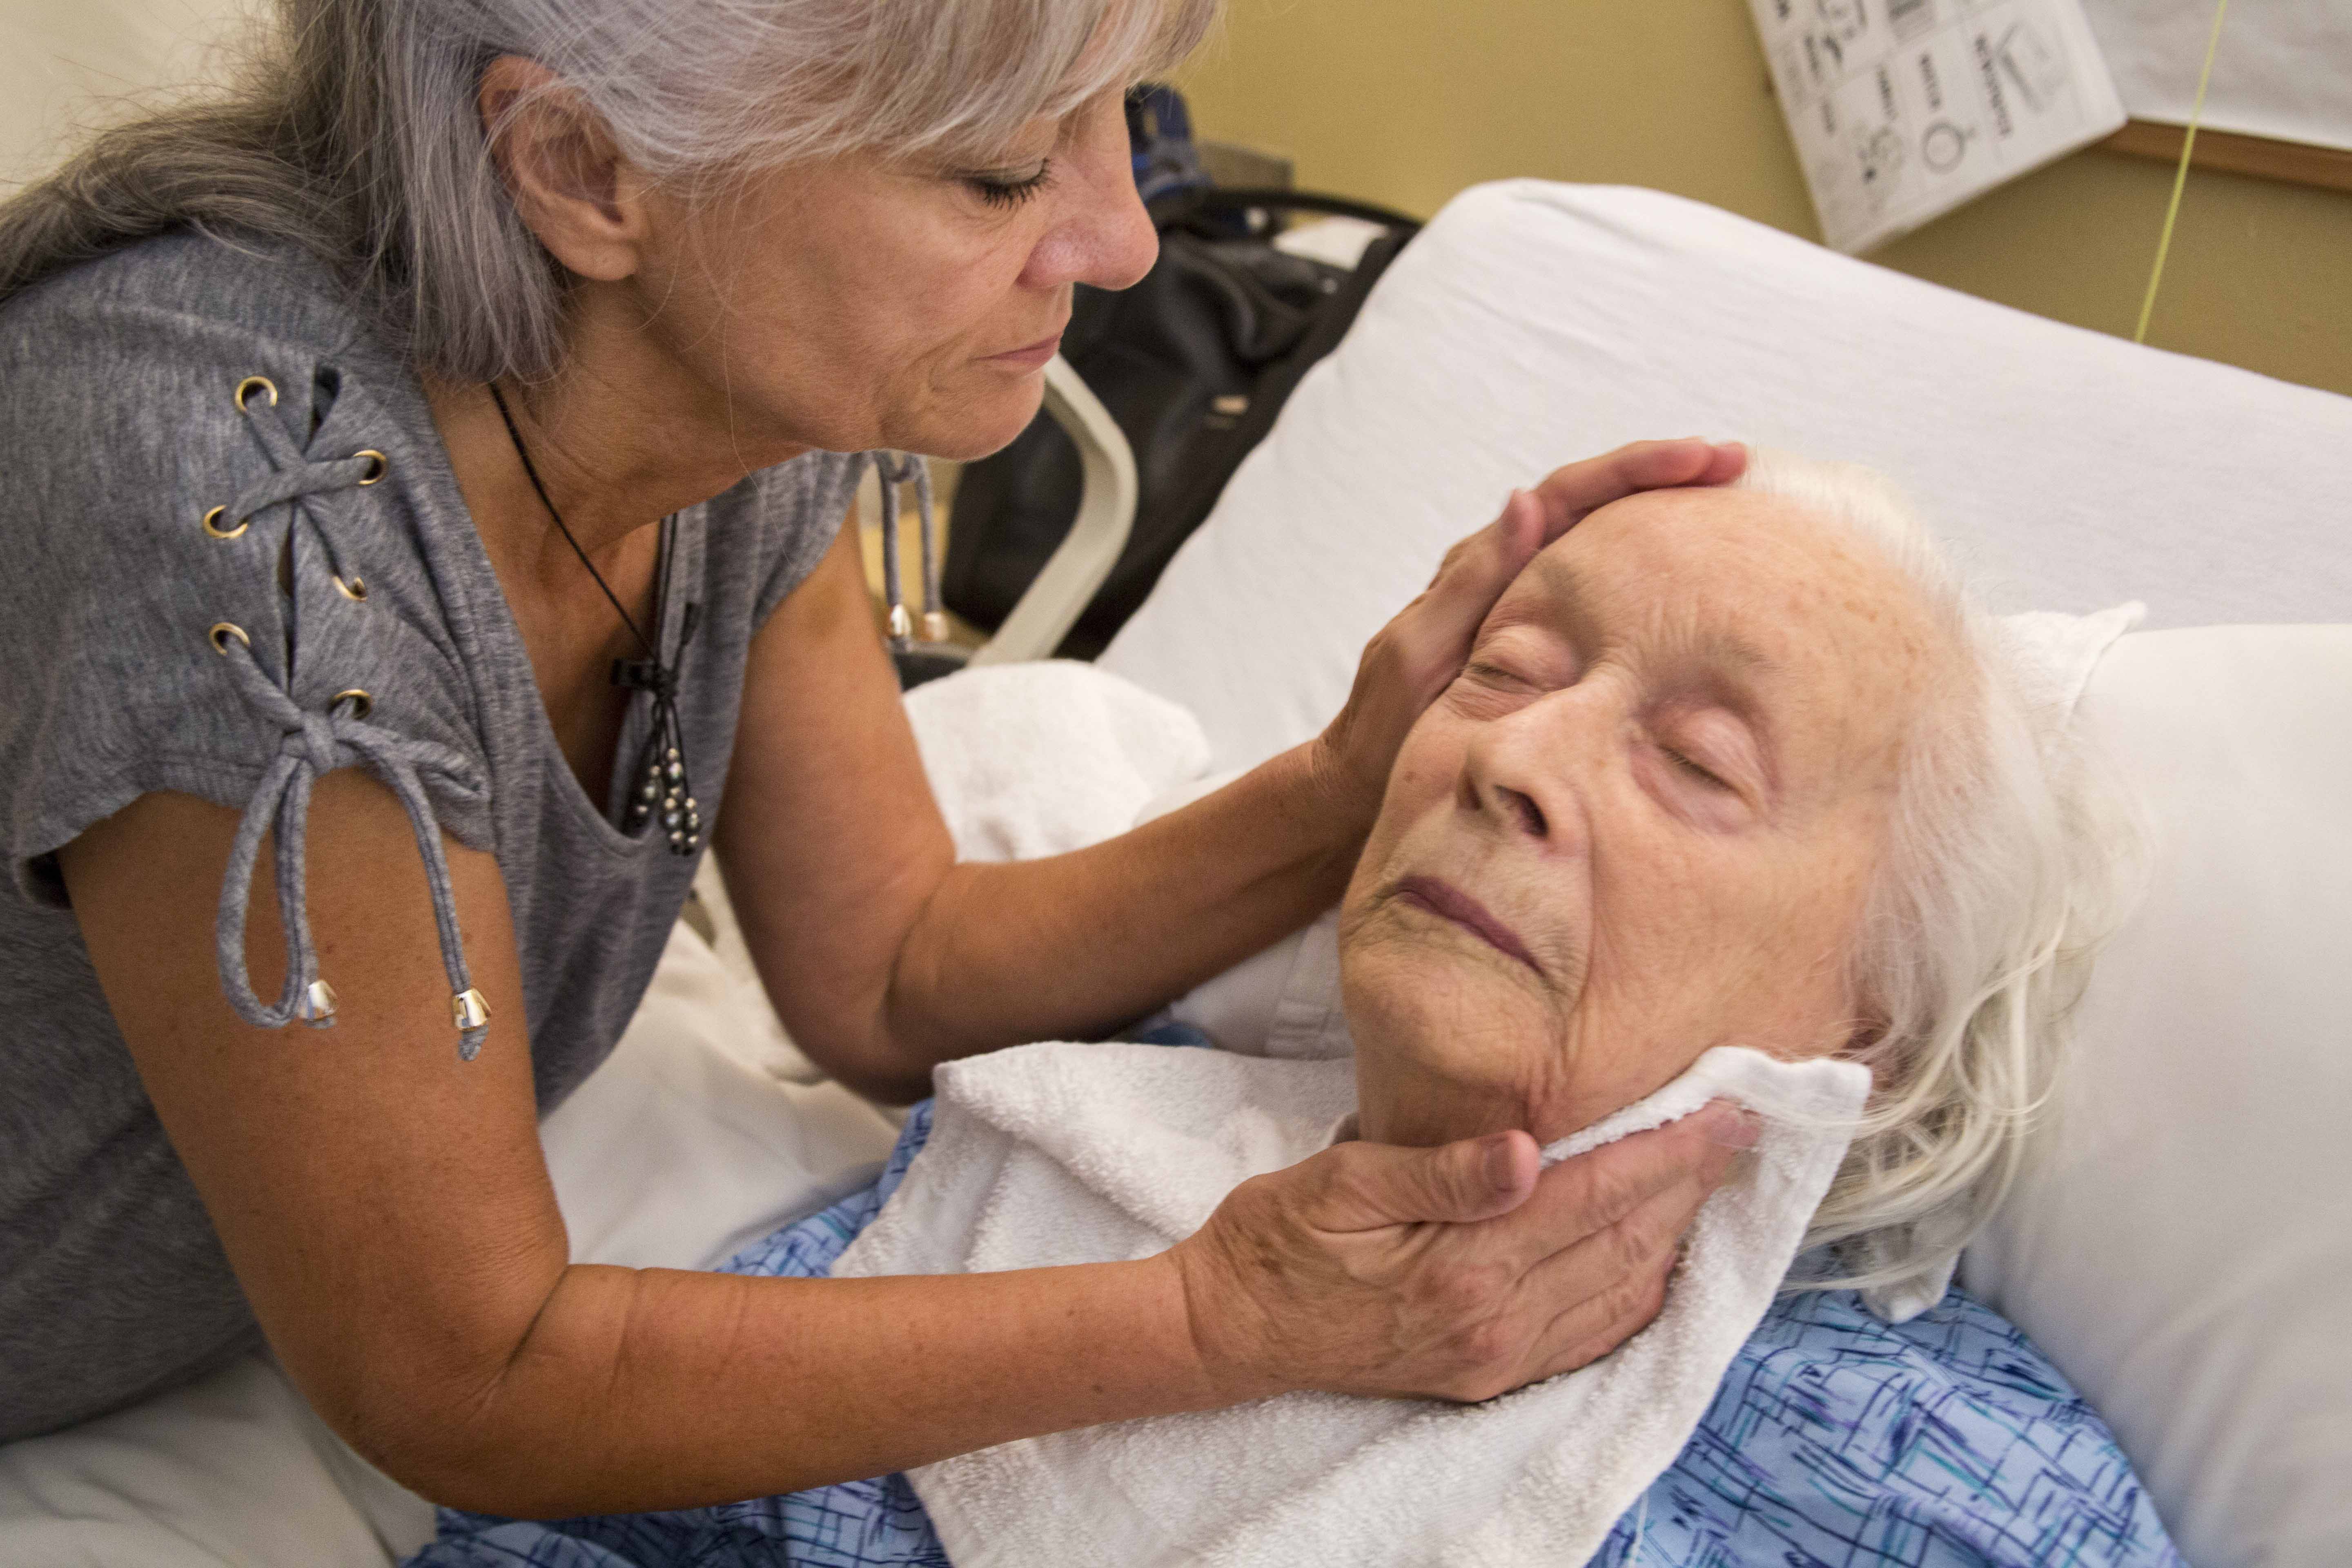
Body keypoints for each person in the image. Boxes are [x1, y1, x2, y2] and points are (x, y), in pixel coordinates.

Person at [0, 0, 1756, 1541]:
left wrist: (1345, 784)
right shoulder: (247, 521)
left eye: (1120, 124)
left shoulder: (732, 407)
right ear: (586, 172)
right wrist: (1230, 1317)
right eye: (999, 175)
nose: (1127, 245)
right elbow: (468, 1367)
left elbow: (888, 963)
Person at [414, 454, 2179, 1567]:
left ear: (1872, 1021)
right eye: (1504, 670)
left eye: (1699, 761)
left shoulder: (1928, 1480)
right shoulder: (1057, 1160)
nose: (1510, 759)